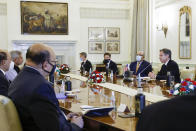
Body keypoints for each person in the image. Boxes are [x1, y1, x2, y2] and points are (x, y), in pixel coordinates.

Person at [8, 44, 83, 131]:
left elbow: (43, 115)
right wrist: (75, 125)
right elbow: (55, 129)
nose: (54, 66)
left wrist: (64, 117)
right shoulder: (41, 86)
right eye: (54, 62)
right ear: (46, 65)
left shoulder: (20, 77)